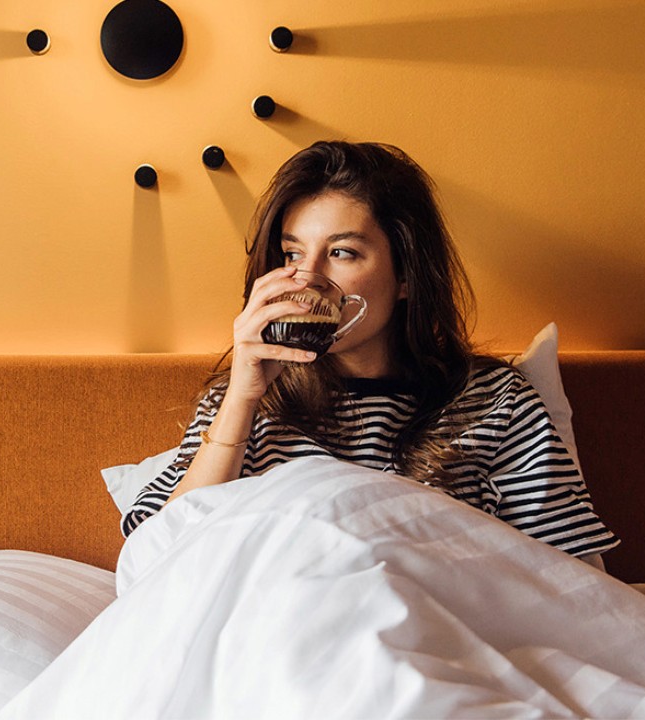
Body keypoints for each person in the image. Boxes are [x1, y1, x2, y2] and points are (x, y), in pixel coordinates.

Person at [120, 140, 618, 566]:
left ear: (406, 276)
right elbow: (161, 556)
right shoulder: (245, 402)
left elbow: (570, 578)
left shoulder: (494, 401)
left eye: (342, 252)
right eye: (293, 254)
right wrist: (241, 401)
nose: (308, 279)